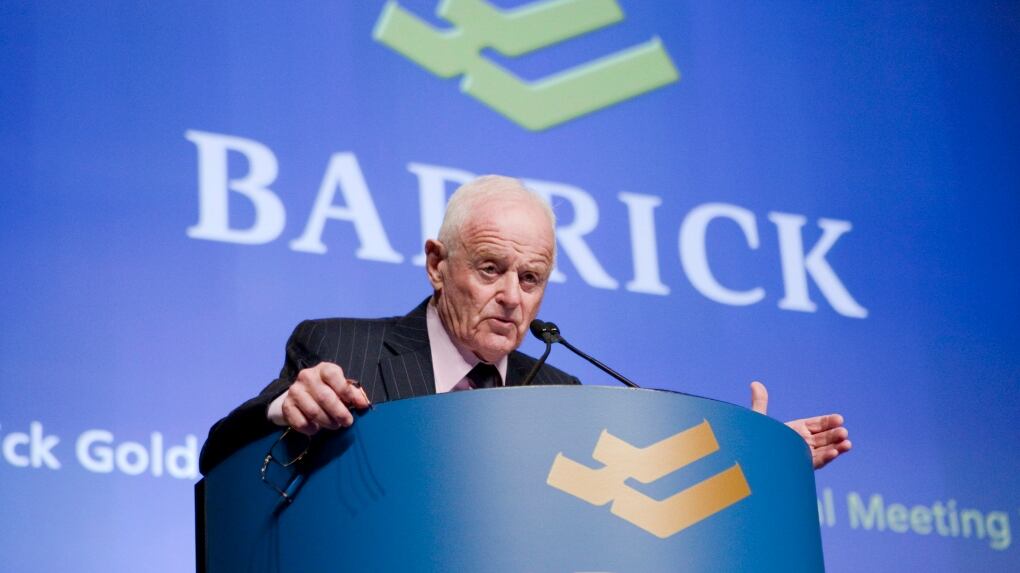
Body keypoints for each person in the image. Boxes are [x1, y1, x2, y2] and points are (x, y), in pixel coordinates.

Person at [198, 175, 851, 475]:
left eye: (531, 278)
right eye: (490, 269)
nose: (512, 297)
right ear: (437, 263)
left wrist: (758, 460)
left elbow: (638, 498)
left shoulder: (563, 396)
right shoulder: (339, 347)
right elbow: (219, 454)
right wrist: (286, 409)